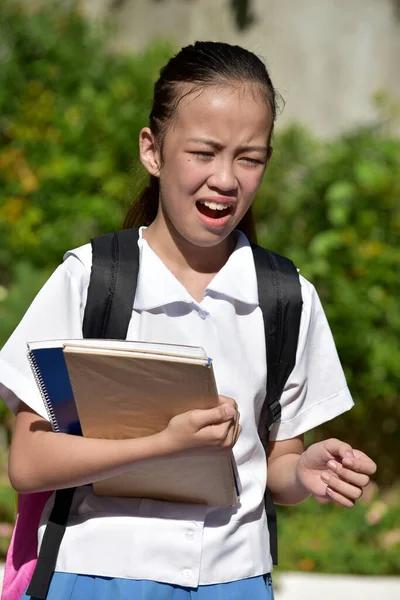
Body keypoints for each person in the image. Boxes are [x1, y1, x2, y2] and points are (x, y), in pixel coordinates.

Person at [0, 41, 376, 600]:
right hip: (97, 576)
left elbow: (276, 464)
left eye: (250, 158)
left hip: (236, 580)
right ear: (153, 151)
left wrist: (304, 474)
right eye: (204, 152)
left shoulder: (287, 297)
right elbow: (29, 462)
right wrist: (164, 444)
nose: (226, 179)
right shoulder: (90, 280)